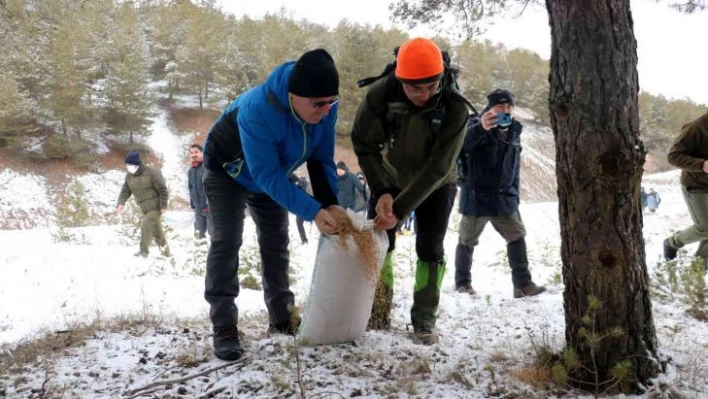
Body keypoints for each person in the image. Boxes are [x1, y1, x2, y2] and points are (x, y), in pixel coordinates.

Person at [202, 48, 343, 361]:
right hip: (227, 171)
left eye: (331, 102)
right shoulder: (258, 109)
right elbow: (266, 176)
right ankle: (224, 325)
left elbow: (321, 159)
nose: (325, 110)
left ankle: (282, 317)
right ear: (294, 95)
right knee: (227, 241)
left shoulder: (325, 108)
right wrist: (313, 212)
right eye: (318, 104)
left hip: (270, 173)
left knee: (277, 241)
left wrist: (330, 203)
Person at [351, 37, 472, 345]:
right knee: (381, 243)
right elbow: (364, 144)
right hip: (390, 178)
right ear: (401, 79)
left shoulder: (455, 105)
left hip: (438, 183)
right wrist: (383, 192)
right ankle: (377, 312)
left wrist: (400, 209)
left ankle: (424, 320)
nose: (424, 94)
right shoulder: (381, 93)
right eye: (415, 88)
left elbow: (439, 167)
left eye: (432, 86)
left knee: (430, 249)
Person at [454, 89, 546, 299]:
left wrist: (515, 197)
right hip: (476, 197)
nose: (505, 111)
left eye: (508, 107)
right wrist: (481, 128)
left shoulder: (514, 131)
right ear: (490, 107)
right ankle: (462, 283)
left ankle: (522, 285)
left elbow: (515, 168)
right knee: (467, 241)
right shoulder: (475, 125)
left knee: (517, 237)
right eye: (500, 106)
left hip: (505, 199)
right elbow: (461, 146)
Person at [663, 111, 708, 264]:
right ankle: (672, 243)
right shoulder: (696, 127)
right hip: (696, 186)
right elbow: (673, 156)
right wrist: (701, 165)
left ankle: (702, 265)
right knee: (706, 228)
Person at [116, 150, 171, 258]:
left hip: (156, 207)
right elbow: (125, 190)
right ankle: (166, 254)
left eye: (130, 165)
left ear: (137, 164)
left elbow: (162, 189)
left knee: (146, 224)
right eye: (127, 165)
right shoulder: (129, 176)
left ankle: (143, 252)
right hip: (144, 208)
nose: (128, 167)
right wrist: (121, 203)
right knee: (157, 232)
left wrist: (163, 205)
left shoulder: (151, 172)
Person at [188, 144, 208, 239]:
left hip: (209, 207)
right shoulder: (191, 171)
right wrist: (192, 204)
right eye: (191, 153)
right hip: (198, 209)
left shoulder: (207, 167)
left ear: (202, 153)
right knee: (198, 234)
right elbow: (191, 188)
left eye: (196, 152)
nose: (193, 155)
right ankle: (199, 250)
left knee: (215, 234)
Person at [289, 173, 312, 245]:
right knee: (299, 224)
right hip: (301, 208)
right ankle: (304, 240)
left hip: (304, 207)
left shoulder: (302, 184)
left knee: (299, 224)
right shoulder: (298, 185)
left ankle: (304, 239)